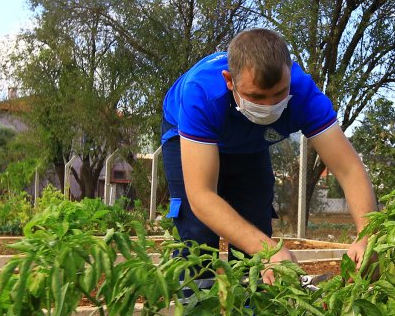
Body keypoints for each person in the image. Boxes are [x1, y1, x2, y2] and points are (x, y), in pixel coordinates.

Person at [161, 28, 377, 283]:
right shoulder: (201, 94)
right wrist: (269, 251)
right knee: (197, 238)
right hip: (185, 133)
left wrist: (367, 237)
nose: (269, 106)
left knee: (255, 220)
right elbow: (202, 195)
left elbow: (348, 168)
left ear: (288, 76)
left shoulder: (304, 94)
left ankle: (252, 313)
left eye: (279, 94)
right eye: (256, 97)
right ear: (229, 80)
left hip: (250, 144)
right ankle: (197, 315)